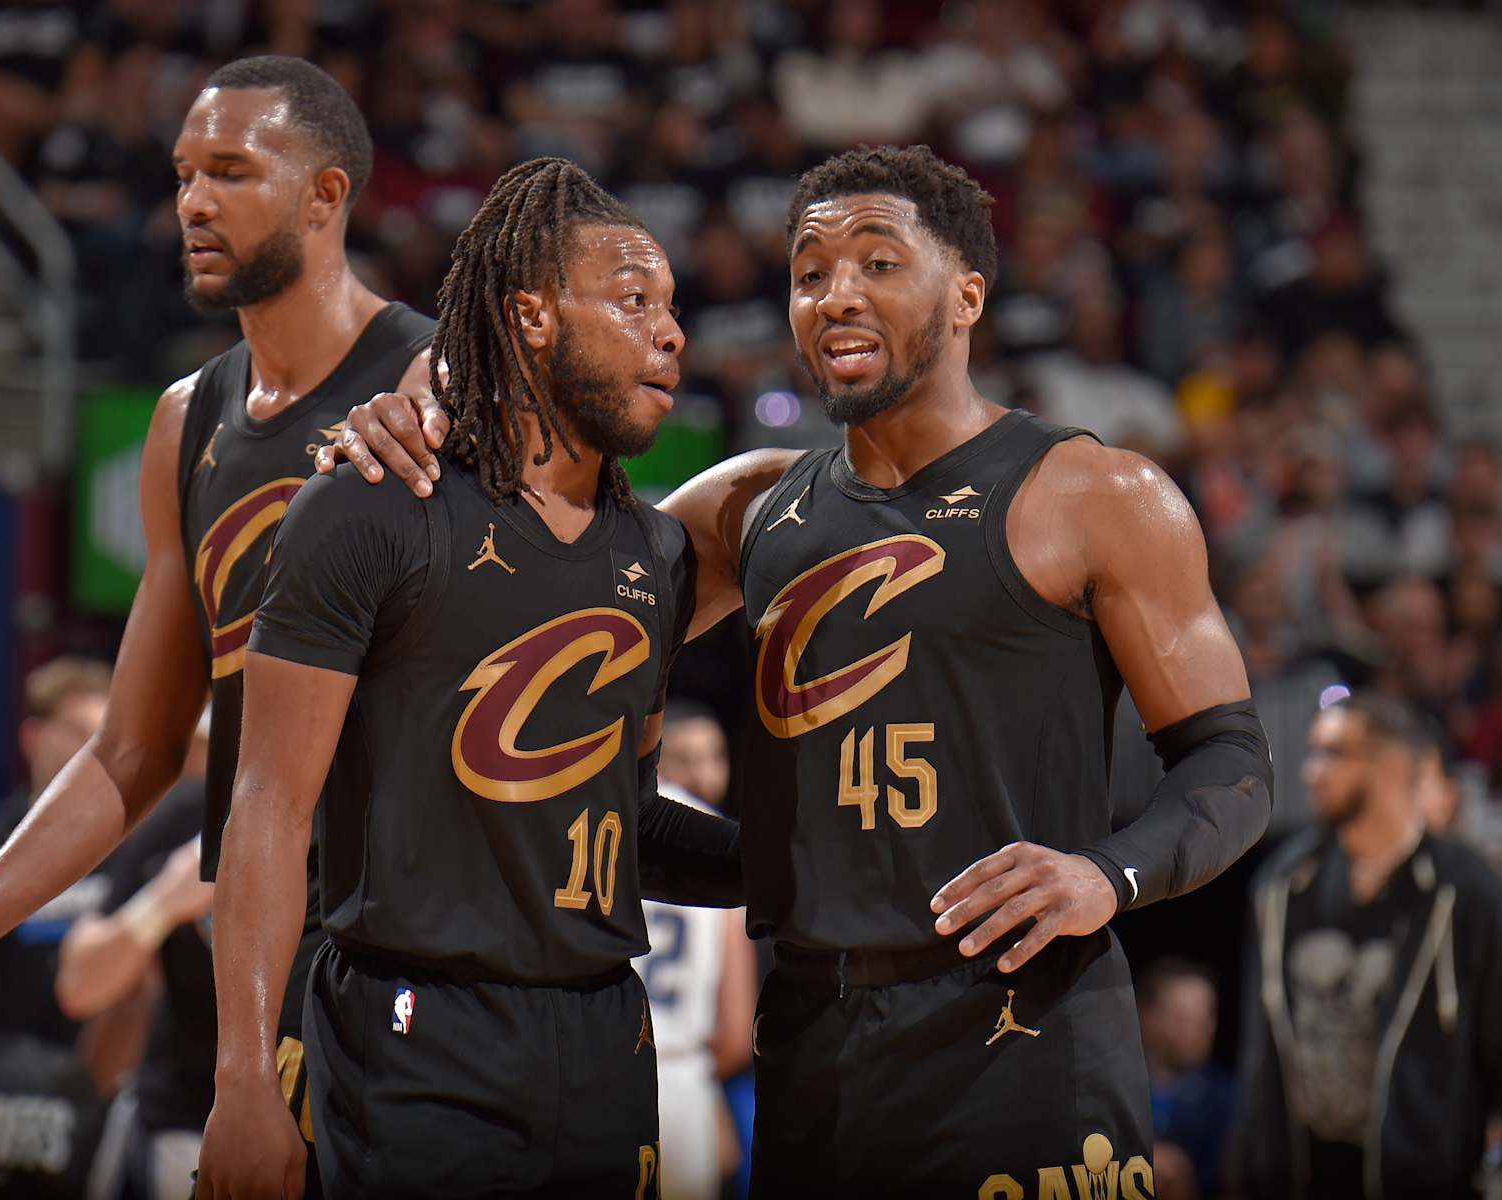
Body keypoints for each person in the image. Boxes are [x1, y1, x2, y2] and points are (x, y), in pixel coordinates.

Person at [329, 143, 1273, 1196]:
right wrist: (417, 402)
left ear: (967, 295)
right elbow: (531, 579)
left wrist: (1107, 873)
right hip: (814, 1039)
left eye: (878, 262)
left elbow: (1232, 763)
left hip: (1025, 1033)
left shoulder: (1096, 494)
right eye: (810, 272)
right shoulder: (742, 511)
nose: (836, 295)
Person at [0, 57, 445, 1200]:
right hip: (261, 950)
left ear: (326, 195)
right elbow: (131, 749)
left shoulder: (435, 382)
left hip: (426, 949)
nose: (193, 203)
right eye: (182, 174)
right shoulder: (188, 421)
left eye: (231, 171)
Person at [198, 157, 742, 1199]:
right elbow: (266, 805)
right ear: (532, 316)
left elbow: (627, 822)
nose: (671, 334)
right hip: (414, 1032)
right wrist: (245, 1080)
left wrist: (803, 867)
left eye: (673, 308)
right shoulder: (370, 506)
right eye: (635, 302)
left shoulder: (658, 555)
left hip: (607, 1037)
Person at [1229, 692, 1502, 1199]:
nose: (1312, 771)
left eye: (1333, 753)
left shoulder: (1468, 891)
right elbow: (1259, 1056)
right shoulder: (1282, 883)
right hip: (1302, 1177)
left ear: (1393, 766)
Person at [58, 707, 215, 1200]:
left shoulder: (356, 813)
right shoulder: (187, 815)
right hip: (183, 1128)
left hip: (330, 1127)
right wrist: (163, 903)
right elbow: (79, 985)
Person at [0, 655, 113, 1049]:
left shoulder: (131, 844)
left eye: (101, 734)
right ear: (32, 738)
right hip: (7, 1069)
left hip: (102, 1070)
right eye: (77, 731)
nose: (91, 748)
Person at [634, 703, 756, 1200]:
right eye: (688, 758)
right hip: (684, 1078)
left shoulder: (602, 828)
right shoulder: (723, 850)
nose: (704, 774)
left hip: (606, 1071)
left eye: (715, 757)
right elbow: (734, 1033)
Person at [1136, 958, 1234, 1198]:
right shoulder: (1114, 1090)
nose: (1195, 1032)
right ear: (1146, 1016)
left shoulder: (1226, 1098)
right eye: (1182, 1019)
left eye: (1204, 1019)